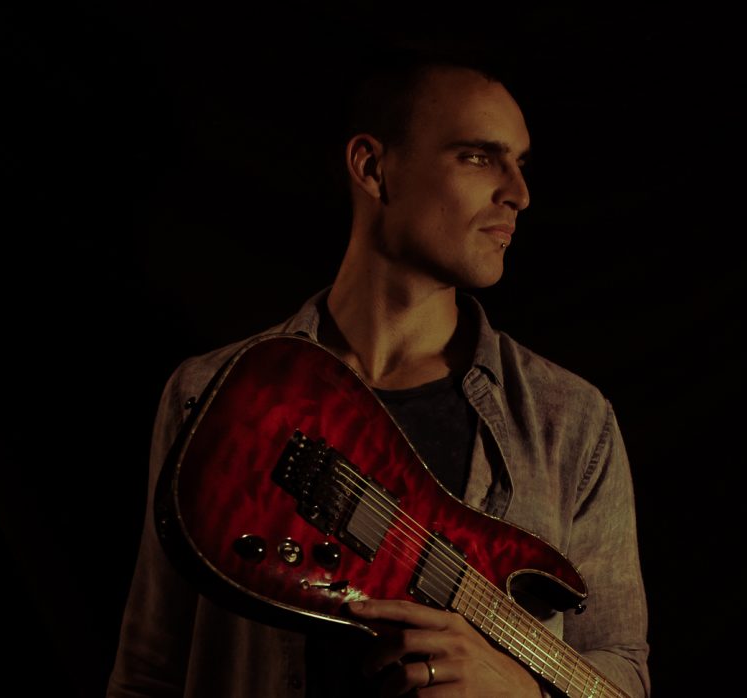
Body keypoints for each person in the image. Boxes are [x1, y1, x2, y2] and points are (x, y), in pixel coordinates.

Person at [107, 50, 650, 698]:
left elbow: (624, 673)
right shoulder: (210, 391)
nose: (518, 193)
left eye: (521, 164)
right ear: (372, 167)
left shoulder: (572, 421)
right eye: (478, 157)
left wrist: (521, 690)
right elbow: (149, 670)